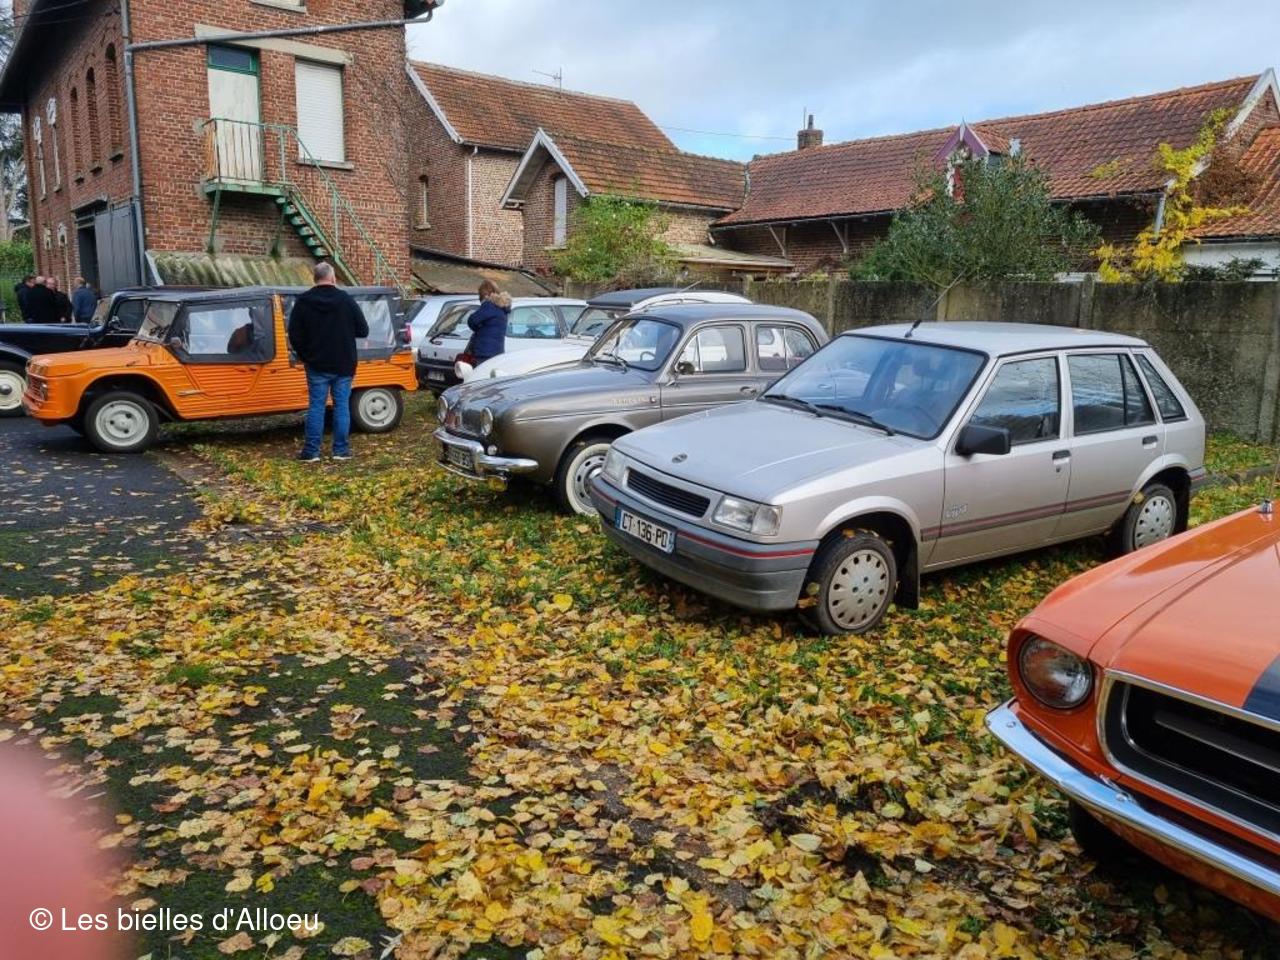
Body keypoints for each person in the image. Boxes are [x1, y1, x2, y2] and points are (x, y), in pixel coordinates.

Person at [287, 261, 368, 463]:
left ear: (314, 278)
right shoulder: (346, 300)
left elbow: (294, 334)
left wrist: (306, 355)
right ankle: (341, 450)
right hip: (344, 363)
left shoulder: (304, 301)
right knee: (341, 406)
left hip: (316, 364)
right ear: (332, 277)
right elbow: (363, 330)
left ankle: (311, 452)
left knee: (316, 406)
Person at [464, 280, 511, 367]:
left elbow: (472, 320)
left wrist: (478, 328)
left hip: (485, 351)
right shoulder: (502, 308)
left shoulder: (489, 306)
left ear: (484, 295)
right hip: (497, 350)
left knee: (481, 373)